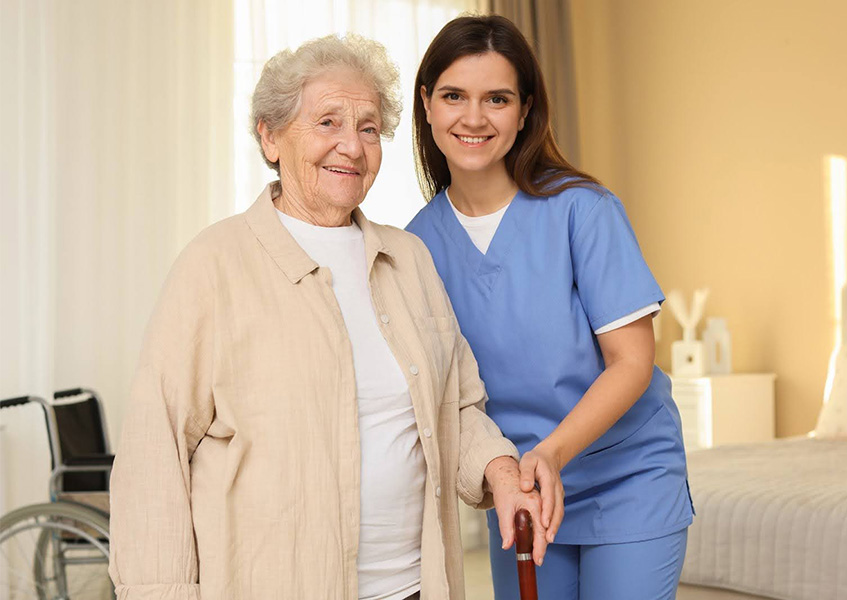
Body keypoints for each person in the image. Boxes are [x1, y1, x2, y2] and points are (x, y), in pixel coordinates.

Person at [109, 33, 550, 600]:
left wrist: (501, 473)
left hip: (415, 586)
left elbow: (457, 405)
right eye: (327, 123)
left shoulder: (408, 259)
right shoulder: (214, 265)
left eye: (368, 128)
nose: (352, 146)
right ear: (270, 137)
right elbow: (155, 449)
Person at [406, 15, 694, 600]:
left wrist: (551, 454)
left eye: (498, 98)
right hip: (520, 491)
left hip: (626, 475)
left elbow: (633, 361)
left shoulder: (583, 211)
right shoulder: (416, 248)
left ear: (525, 109)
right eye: (454, 95)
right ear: (427, 105)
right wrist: (513, 472)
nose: (474, 117)